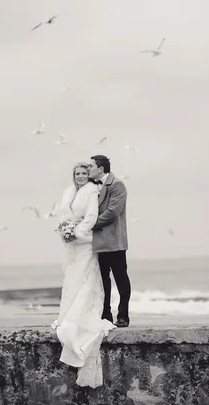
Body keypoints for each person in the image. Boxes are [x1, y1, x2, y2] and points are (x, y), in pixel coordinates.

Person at [52, 162, 115, 388]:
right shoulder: (69, 193)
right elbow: (63, 216)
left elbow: (91, 218)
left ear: (89, 176)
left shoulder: (91, 193)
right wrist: (64, 232)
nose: (79, 177)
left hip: (85, 243)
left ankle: (81, 315)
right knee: (71, 279)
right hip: (72, 246)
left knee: (84, 279)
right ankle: (67, 313)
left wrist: (76, 233)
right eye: (76, 174)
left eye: (83, 173)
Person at [88, 155, 131, 327]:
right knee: (102, 280)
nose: (88, 168)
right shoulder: (90, 187)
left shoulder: (117, 185)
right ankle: (106, 314)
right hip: (97, 243)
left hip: (114, 241)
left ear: (100, 168)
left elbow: (112, 212)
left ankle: (123, 315)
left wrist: (88, 224)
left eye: (91, 166)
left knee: (120, 278)